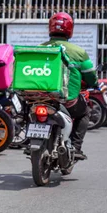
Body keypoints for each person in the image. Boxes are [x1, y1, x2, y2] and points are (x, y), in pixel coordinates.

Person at [41, 12, 98, 160]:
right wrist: (93, 84)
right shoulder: (79, 52)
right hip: (68, 101)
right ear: (70, 30)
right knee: (84, 113)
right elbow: (90, 76)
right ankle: (76, 147)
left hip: (39, 99)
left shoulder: (39, 49)